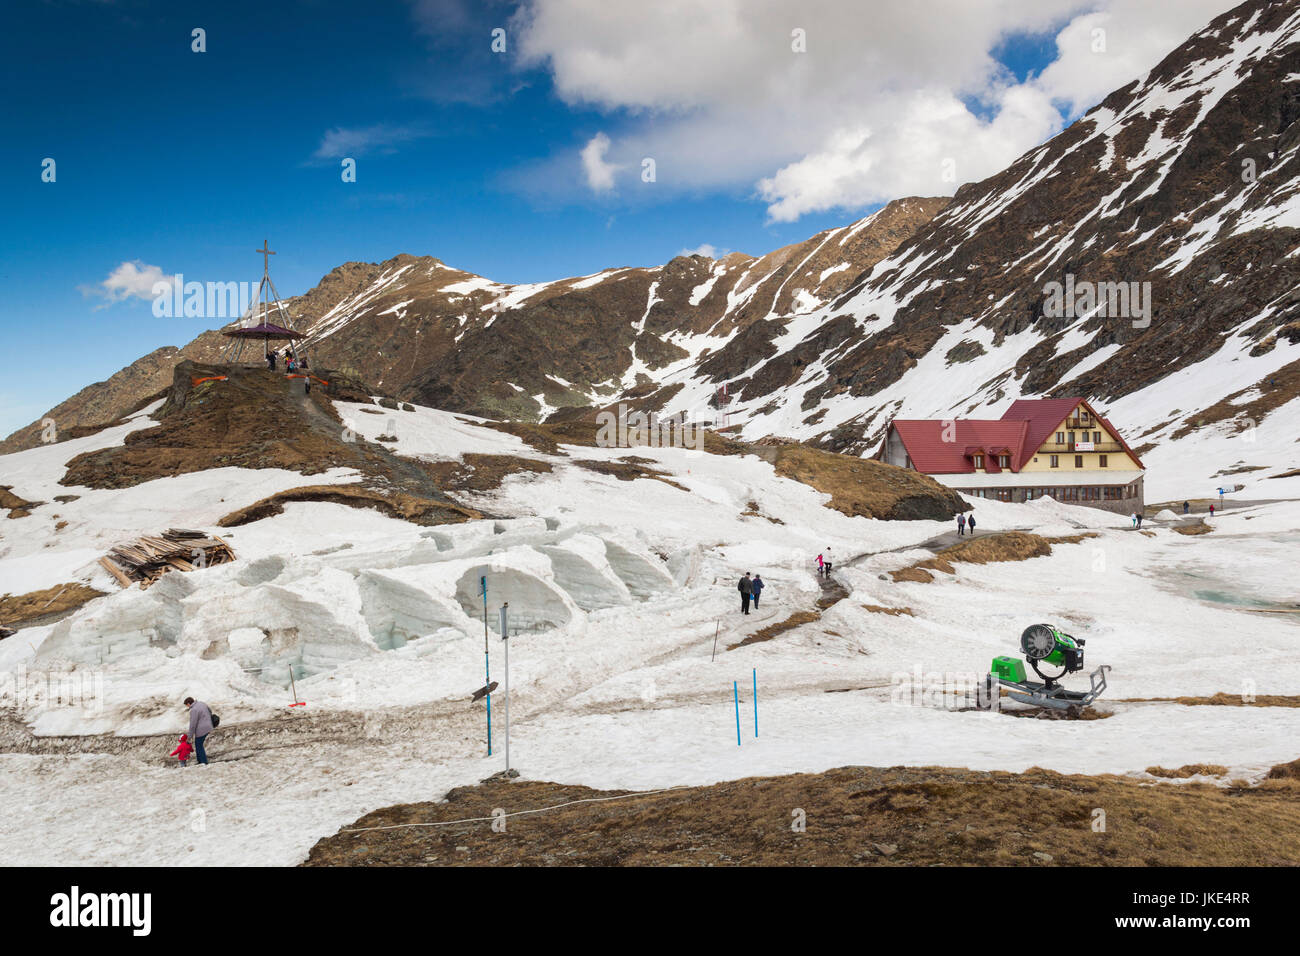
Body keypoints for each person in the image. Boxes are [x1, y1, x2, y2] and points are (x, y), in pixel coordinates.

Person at [184, 697, 214, 765]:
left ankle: (203, 762)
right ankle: (200, 761)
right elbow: (210, 711)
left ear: (189, 703)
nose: (187, 707)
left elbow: (192, 725)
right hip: (209, 726)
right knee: (198, 744)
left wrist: (189, 737)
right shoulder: (201, 703)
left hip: (202, 730)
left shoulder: (194, 710)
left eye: (187, 705)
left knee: (199, 745)